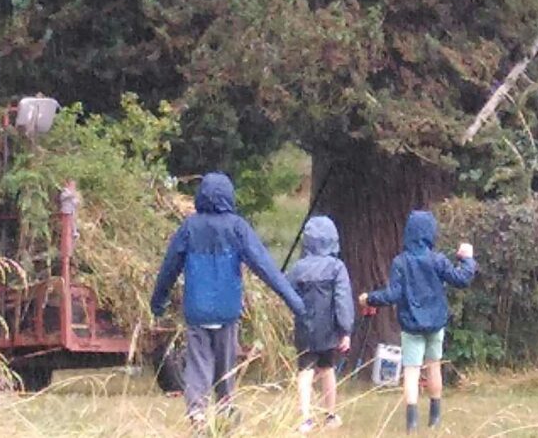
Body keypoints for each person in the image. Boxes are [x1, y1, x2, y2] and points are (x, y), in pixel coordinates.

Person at [150, 172, 306, 430]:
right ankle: (224, 406)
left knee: (198, 364)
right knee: (225, 362)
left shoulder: (189, 227)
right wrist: (296, 304)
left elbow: (169, 268)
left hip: (197, 311)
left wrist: (158, 302)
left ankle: (198, 414)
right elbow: (266, 267)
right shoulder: (237, 227)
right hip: (227, 310)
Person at [358, 210, 477, 434]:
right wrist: (468, 259)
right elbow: (462, 279)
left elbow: (393, 295)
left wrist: (369, 298)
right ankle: (434, 418)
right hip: (435, 324)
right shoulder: (438, 260)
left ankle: (411, 423)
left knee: (411, 372)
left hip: (411, 326)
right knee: (434, 367)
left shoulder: (400, 262)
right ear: (431, 233)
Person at [287, 215, 354, 433]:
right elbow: (343, 300)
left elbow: (290, 295)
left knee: (305, 372)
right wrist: (345, 330)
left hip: (304, 329)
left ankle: (305, 418)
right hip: (329, 330)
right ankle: (330, 414)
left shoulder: (298, 268)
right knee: (327, 369)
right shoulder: (337, 267)